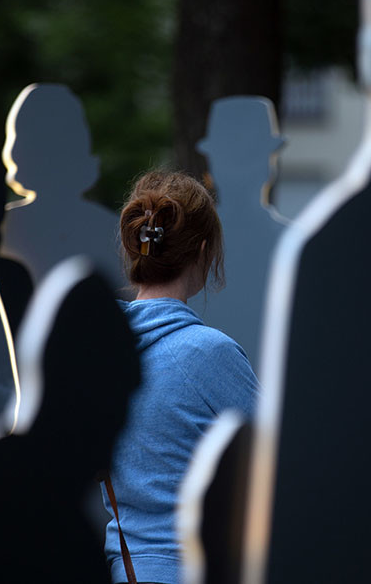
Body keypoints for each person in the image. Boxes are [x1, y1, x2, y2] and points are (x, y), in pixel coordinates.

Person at [102, 170, 260, 584]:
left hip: (125, 569)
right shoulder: (209, 354)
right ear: (204, 250)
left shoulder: (99, 351)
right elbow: (276, 468)